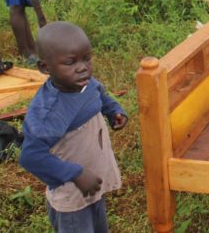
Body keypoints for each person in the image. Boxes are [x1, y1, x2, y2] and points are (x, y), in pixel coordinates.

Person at [19, 21, 128, 233]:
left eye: (86, 58)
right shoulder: (49, 112)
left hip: (92, 180)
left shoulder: (86, 83)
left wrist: (113, 110)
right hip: (73, 194)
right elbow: (30, 156)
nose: (82, 67)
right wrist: (76, 174)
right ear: (45, 67)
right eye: (70, 62)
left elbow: (99, 94)